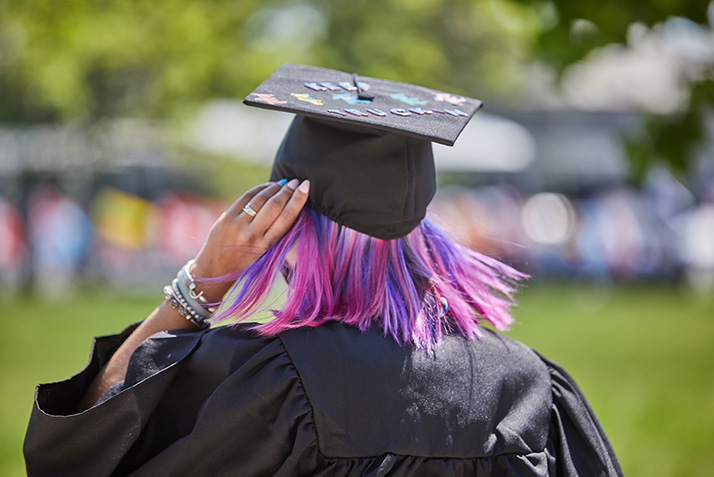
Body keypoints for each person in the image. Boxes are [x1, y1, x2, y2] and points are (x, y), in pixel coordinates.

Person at [24, 65, 623, 476]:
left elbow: (79, 456)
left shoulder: (267, 379)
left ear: (288, 229)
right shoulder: (524, 386)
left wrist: (197, 285)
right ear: (426, 231)